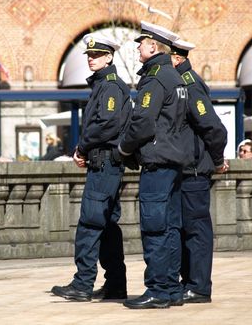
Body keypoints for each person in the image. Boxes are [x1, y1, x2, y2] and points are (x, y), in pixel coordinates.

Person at [51, 34, 132, 301]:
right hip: (105, 162)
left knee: (90, 223)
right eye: (89, 55)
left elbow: (106, 124)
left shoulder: (110, 86)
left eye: (96, 55)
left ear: (109, 57)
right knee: (107, 225)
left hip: (104, 162)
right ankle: (115, 285)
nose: (91, 59)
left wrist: (82, 147)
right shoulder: (104, 85)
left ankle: (82, 284)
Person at [117, 22, 188, 309]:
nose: (137, 48)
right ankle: (170, 288)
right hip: (174, 160)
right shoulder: (176, 78)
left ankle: (157, 289)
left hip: (157, 162)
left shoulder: (155, 78)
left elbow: (143, 121)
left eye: (141, 43)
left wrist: (124, 147)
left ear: (153, 46)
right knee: (171, 226)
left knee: (155, 227)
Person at [170, 38, 229, 304]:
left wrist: (217, 160)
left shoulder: (190, 85)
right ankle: (190, 282)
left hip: (195, 170)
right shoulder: (181, 83)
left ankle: (199, 286)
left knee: (196, 231)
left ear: (178, 59)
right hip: (185, 169)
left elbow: (213, 128)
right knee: (185, 230)